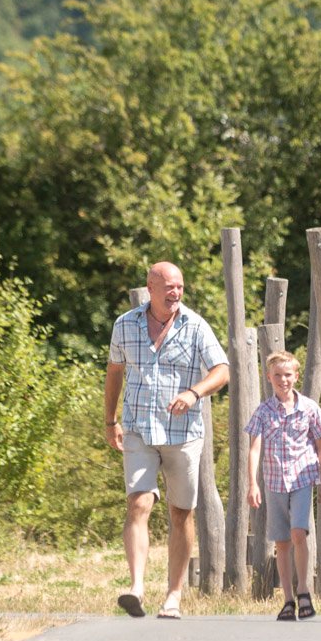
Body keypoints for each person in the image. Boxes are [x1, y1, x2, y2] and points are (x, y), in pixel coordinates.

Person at [104, 262, 229, 620]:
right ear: (151, 288)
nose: (176, 293)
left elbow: (222, 370)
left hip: (182, 434)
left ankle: (173, 595)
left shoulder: (196, 325)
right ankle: (136, 588)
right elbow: (114, 371)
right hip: (138, 429)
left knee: (180, 513)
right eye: (169, 287)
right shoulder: (125, 324)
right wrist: (110, 420)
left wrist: (194, 392)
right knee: (138, 504)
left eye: (180, 287)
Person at [244, 351, 321, 622]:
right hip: (274, 481)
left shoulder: (309, 408)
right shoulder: (263, 411)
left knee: (298, 532)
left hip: (302, 478)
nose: (283, 380)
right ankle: (288, 599)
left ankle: (304, 589)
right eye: (278, 375)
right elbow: (254, 448)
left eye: (288, 375)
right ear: (269, 377)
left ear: (296, 376)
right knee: (281, 541)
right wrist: (252, 484)